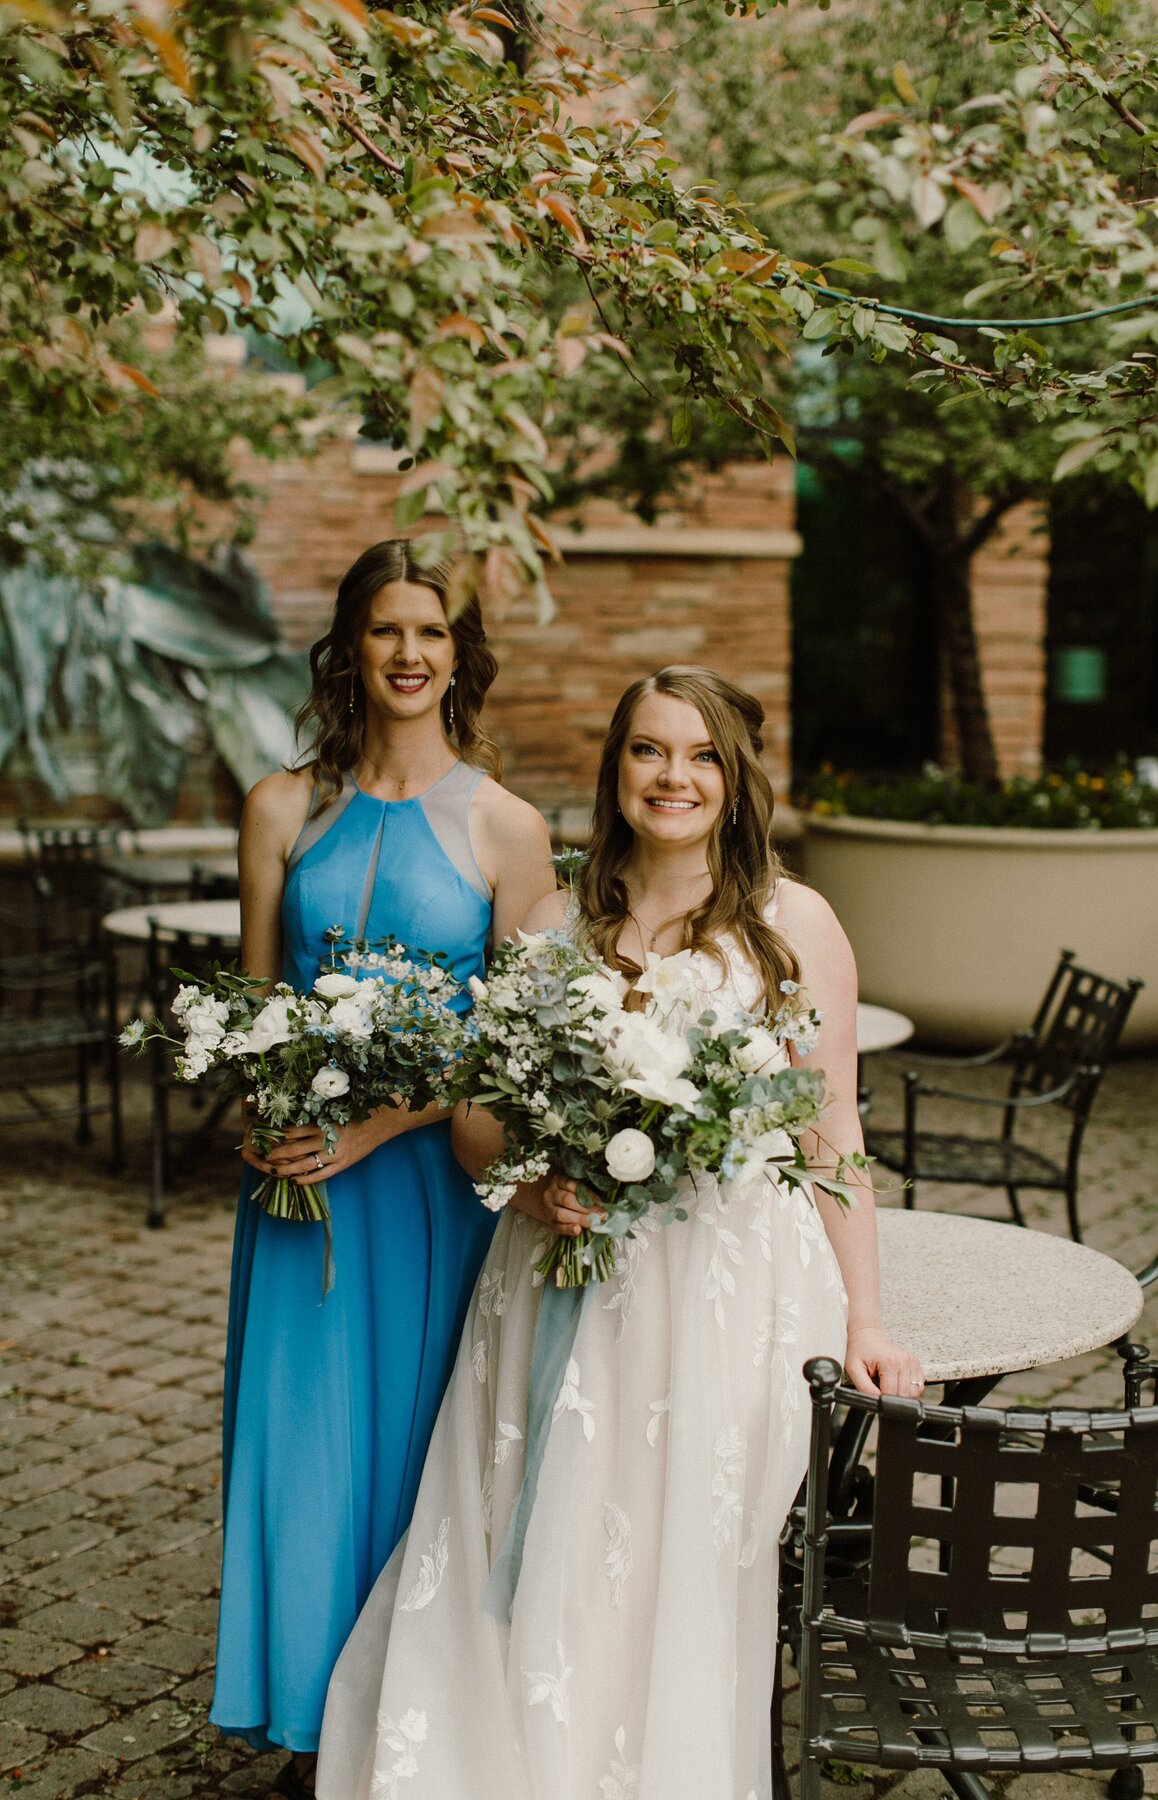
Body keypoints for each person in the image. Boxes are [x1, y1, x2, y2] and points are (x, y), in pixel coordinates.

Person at [315, 664, 923, 1800]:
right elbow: (479, 1118)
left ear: (737, 782)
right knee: (529, 1529)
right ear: (616, 770)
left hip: (719, 1286)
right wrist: (535, 1180)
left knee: (670, 1559)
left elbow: (834, 1137)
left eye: (700, 756)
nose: (673, 777)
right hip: (555, 1270)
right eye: (649, 751)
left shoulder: (796, 925)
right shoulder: (554, 918)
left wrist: (870, 1318)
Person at [208, 540, 555, 1798]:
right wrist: (266, 1108)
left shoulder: (510, 832)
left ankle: (407, 1728)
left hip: (426, 1193)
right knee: (301, 1447)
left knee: (418, 1447)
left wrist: (383, 1123)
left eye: (433, 631)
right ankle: (304, 1720)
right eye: (385, 629)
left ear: (461, 656)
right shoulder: (280, 806)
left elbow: (521, 1060)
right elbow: (253, 1007)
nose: (409, 653)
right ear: (348, 646)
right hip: (298, 1190)